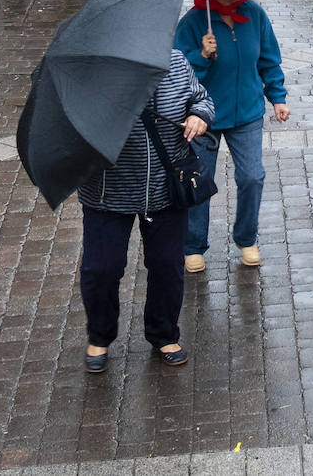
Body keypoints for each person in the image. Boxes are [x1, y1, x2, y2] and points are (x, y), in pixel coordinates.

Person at [77, 49, 214, 373]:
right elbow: (75, 127)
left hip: (165, 188)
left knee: (167, 265)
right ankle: (99, 335)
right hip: (107, 192)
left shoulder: (176, 61)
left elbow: (202, 99)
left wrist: (200, 116)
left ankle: (164, 332)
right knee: (101, 269)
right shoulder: (93, 71)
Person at [175, 0, 288, 272]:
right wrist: (201, 56)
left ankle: (246, 238)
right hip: (204, 118)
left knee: (253, 177)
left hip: (248, 113)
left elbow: (269, 60)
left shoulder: (255, 15)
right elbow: (178, 75)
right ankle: (193, 245)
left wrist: (277, 98)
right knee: (199, 180)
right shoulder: (192, 22)